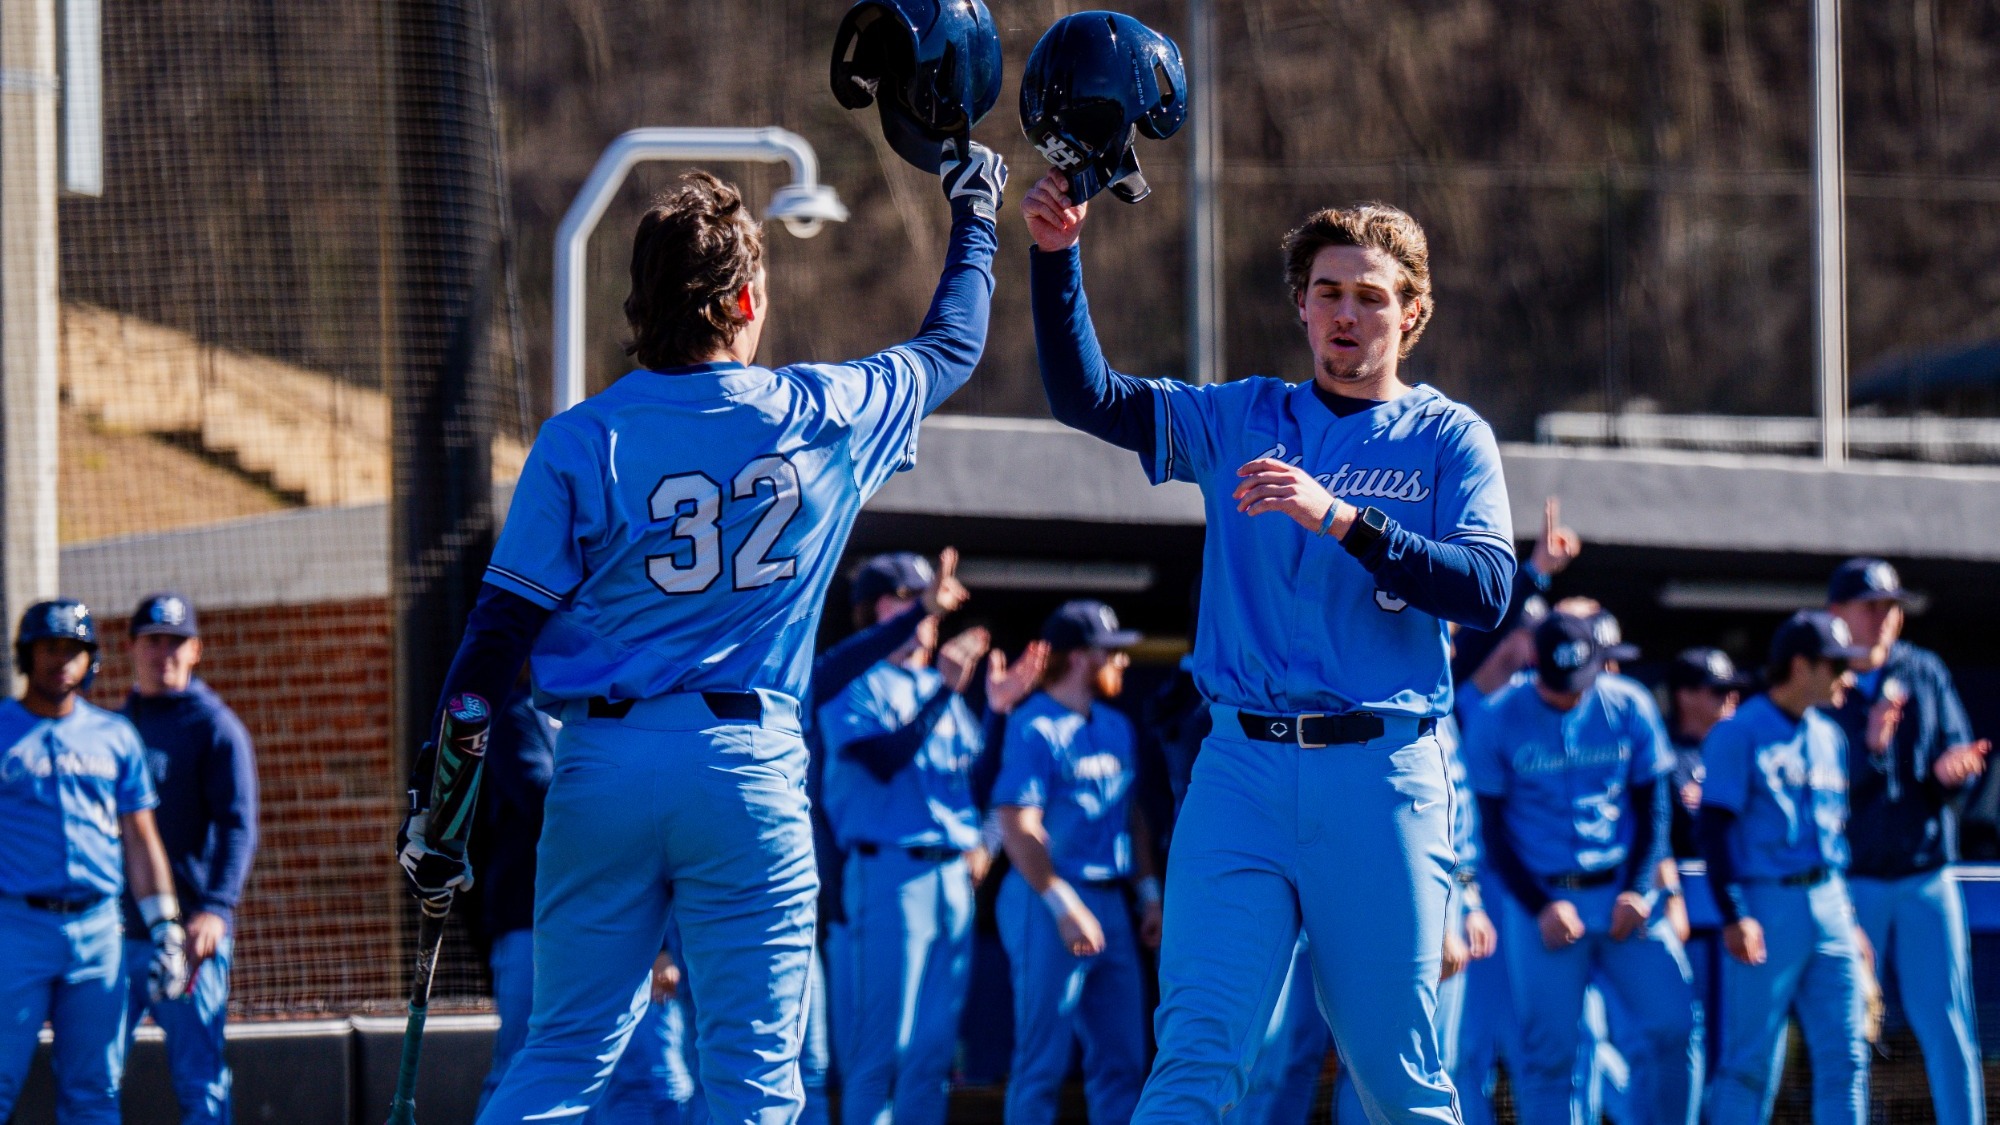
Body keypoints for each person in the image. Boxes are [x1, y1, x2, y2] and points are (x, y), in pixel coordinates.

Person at [399, 143, 1009, 1125]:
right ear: (741, 304)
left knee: (558, 1060)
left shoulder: (580, 438)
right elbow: (952, 345)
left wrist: (443, 808)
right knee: (755, 1088)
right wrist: (974, 212)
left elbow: (488, 655)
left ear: (641, 307)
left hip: (600, 759)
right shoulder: (819, 411)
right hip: (744, 765)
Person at [1026, 175, 1514, 1123]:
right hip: (1240, 769)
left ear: (1411, 315)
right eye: (1328, 291)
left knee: (1398, 1078)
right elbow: (1087, 397)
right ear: (1299, 304)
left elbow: (1487, 589)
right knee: (1196, 1057)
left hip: (1381, 775)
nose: (1346, 313)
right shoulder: (1241, 414)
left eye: (1372, 295)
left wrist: (1342, 518)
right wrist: (1056, 257)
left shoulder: (1451, 435)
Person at [1462, 611, 1701, 1125]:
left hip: (1620, 890)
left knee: (1675, 1025)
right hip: (1545, 902)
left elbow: (1653, 807)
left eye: (1579, 681)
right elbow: (1492, 830)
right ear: (1534, 665)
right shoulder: (1498, 717)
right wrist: (1540, 906)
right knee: (1550, 1059)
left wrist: (1640, 889)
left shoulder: (1628, 703)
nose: (1570, 695)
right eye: (1558, 685)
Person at [816, 552, 1000, 1125]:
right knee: (881, 1055)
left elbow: (975, 780)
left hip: (951, 876)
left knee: (932, 1055)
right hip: (889, 870)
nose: (934, 606)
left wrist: (999, 711)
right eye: (915, 594)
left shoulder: (933, 680)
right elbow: (884, 761)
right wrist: (946, 691)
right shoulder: (854, 677)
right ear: (880, 605)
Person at [0, 600, 189, 1124]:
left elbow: (140, 838)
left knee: (95, 1091)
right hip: (15, 928)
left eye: (74, 649)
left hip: (99, 929)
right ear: (25, 655)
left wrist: (167, 926)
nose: (62, 660)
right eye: (49, 648)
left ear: (92, 660)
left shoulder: (116, 735)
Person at [1822, 558, 1988, 1125]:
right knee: (1851, 1023)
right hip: (1853, 883)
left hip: (1925, 874)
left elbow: (1955, 749)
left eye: (1890, 607)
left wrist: (1953, 772)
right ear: (1837, 613)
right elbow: (1820, 791)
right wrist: (1870, 748)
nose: (1884, 618)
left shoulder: (1925, 670)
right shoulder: (1824, 681)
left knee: (1947, 1024)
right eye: (1871, 606)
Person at [992, 600, 1161, 1125]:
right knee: (1040, 1063)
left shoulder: (1116, 725)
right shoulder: (1032, 723)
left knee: (1124, 1062)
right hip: (1047, 899)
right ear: (1083, 657)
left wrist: (1149, 894)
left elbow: (1129, 813)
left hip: (1112, 900)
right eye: (1113, 653)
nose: (1123, 663)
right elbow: (1017, 826)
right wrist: (1062, 904)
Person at [1699, 610, 1871, 1125]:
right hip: (1766, 903)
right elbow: (1713, 830)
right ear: (1801, 666)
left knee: (1847, 1058)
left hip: (1830, 901)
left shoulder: (1830, 736)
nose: (1847, 677)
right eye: (1836, 666)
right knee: (1749, 1065)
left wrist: (1852, 922)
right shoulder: (1740, 731)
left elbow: (1834, 836)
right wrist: (1733, 913)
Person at [117, 593, 258, 1125]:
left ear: (196, 649)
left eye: (176, 642)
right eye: (153, 641)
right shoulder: (115, 728)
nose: (164, 653)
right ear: (132, 648)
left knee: (200, 1082)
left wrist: (216, 909)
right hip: (118, 934)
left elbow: (238, 825)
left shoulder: (216, 728)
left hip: (189, 937)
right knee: (93, 1075)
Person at [1662, 647, 1748, 859]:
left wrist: (1708, 796)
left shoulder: (1739, 749)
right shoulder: (1665, 754)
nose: (1732, 697)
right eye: (1719, 691)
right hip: (1686, 876)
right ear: (1685, 696)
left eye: (1733, 689)